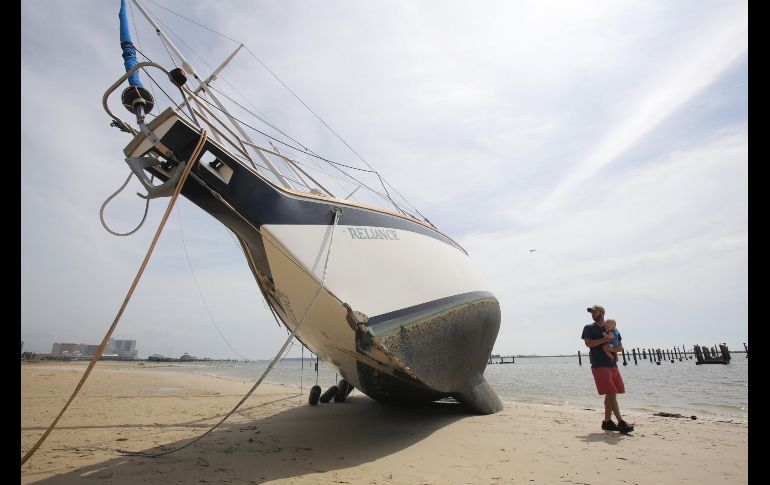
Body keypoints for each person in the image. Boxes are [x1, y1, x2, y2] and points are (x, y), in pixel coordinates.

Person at [581, 305, 634, 434]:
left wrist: (610, 349)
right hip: (599, 365)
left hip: (613, 365)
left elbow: (620, 347)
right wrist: (605, 339)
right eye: (591, 312)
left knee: (612, 394)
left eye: (595, 311)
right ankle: (621, 422)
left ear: (602, 312)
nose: (592, 314)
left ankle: (607, 422)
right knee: (611, 393)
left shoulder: (612, 328)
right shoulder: (589, 328)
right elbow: (589, 344)